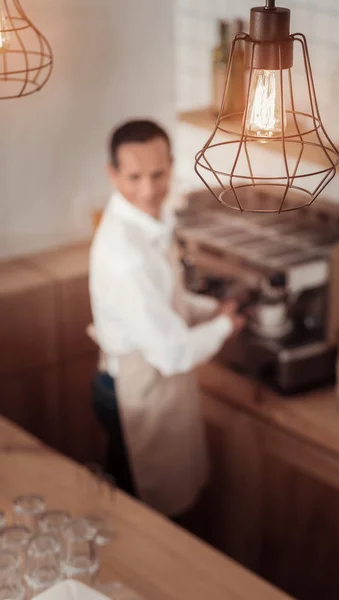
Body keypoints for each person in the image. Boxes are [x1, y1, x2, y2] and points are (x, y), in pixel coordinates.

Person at [88, 119, 245, 520]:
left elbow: (163, 300)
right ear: (113, 174)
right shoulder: (128, 253)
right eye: (134, 176)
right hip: (132, 389)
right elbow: (171, 353)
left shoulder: (145, 221)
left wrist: (209, 311)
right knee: (143, 520)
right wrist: (227, 325)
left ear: (171, 166)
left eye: (158, 174)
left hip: (139, 379)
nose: (149, 189)